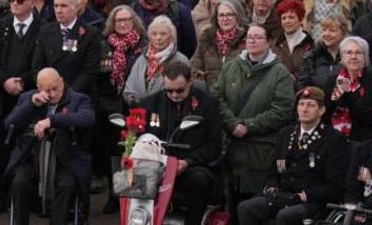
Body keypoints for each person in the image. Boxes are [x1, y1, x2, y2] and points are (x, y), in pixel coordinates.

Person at [237, 86, 350, 225]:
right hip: (284, 195)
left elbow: (335, 186)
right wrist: (272, 186)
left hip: (312, 200)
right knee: (246, 208)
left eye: (311, 105)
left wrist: (304, 196)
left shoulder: (333, 139)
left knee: (286, 216)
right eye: (301, 104)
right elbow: (273, 170)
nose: (305, 109)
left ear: (322, 110)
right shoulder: (286, 134)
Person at [0, 0, 44, 216]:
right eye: (12, 0)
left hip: (31, 100)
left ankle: (34, 199)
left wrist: (24, 82)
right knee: (1, 150)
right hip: (2, 98)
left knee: (31, 149)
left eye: (20, 1)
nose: (15, 5)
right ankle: (2, 197)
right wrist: (5, 81)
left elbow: (44, 63)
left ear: (31, 2)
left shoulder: (43, 29)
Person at [216, 23, 296, 203]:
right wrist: (232, 123)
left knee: (253, 203)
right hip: (231, 146)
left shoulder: (280, 73)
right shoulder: (230, 67)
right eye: (249, 37)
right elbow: (217, 98)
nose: (252, 40)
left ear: (268, 42)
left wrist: (248, 126)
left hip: (261, 150)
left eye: (258, 37)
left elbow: (282, 109)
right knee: (229, 202)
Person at [4, 67, 95, 225]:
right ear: (39, 88)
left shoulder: (78, 99)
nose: (52, 94)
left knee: (67, 186)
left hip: (64, 159)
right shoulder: (28, 98)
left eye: (55, 88)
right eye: (47, 90)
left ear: (61, 80)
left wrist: (53, 120)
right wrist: (32, 104)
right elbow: (9, 124)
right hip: (32, 158)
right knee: (19, 183)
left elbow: (87, 119)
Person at [139, 61, 223, 225]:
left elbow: (214, 144)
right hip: (157, 165)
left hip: (191, 165)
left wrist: (188, 162)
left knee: (200, 181)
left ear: (190, 82)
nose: (174, 95)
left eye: (180, 90)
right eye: (169, 90)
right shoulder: (149, 103)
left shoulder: (207, 103)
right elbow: (140, 137)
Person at [326, 36, 372, 143]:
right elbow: (325, 112)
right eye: (348, 52)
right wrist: (335, 98)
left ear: (365, 57)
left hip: (365, 141)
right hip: (334, 140)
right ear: (342, 57)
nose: (353, 56)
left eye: (358, 53)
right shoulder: (333, 81)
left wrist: (350, 99)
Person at [122, 16, 188, 105]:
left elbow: (184, 92)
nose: (158, 38)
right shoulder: (141, 59)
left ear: (172, 36)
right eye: (154, 34)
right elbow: (128, 89)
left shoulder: (181, 60)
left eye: (163, 34)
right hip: (139, 113)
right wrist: (135, 102)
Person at [191, 0, 248, 87]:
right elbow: (195, 67)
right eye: (221, 15)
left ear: (238, 16)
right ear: (216, 18)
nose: (225, 19)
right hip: (209, 93)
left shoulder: (248, 38)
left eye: (229, 15)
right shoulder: (207, 36)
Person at [297, 15, 351, 91]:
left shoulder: (353, 56)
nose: (327, 34)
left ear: (343, 33)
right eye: (324, 30)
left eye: (332, 30)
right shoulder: (311, 57)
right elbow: (302, 87)